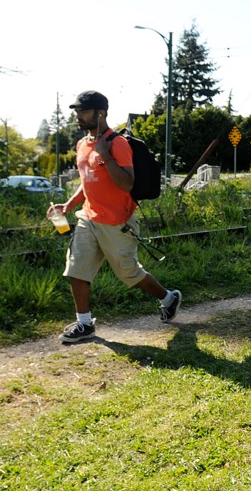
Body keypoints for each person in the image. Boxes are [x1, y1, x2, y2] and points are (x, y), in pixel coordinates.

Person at [48, 90, 182, 344]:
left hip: (118, 223)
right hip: (89, 218)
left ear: (101, 113)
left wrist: (106, 155)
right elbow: (87, 180)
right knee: (76, 269)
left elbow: (126, 183)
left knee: (129, 273)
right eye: (76, 111)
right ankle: (85, 323)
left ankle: (168, 298)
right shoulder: (81, 144)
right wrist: (68, 205)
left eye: (83, 111)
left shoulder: (117, 144)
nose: (78, 116)